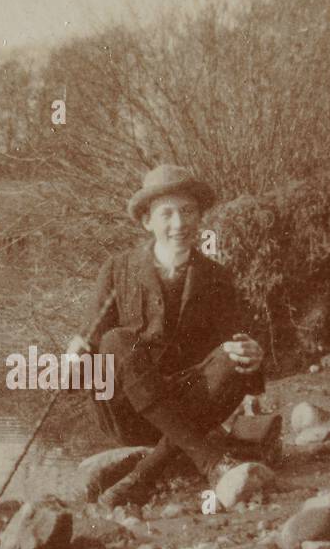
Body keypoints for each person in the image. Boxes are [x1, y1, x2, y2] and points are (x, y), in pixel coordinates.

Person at [67, 164, 281, 507]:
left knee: (235, 354)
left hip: (190, 406)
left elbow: (239, 365)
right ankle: (207, 460)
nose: (179, 225)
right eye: (167, 214)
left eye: (187, 212)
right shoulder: (116, 269)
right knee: (115, 342)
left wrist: (251, 354)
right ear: (146, 221)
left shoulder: (217, 277)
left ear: (199, 217)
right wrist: (75, 354)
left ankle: (142, 476)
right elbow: (88, 350)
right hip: (128, 415)